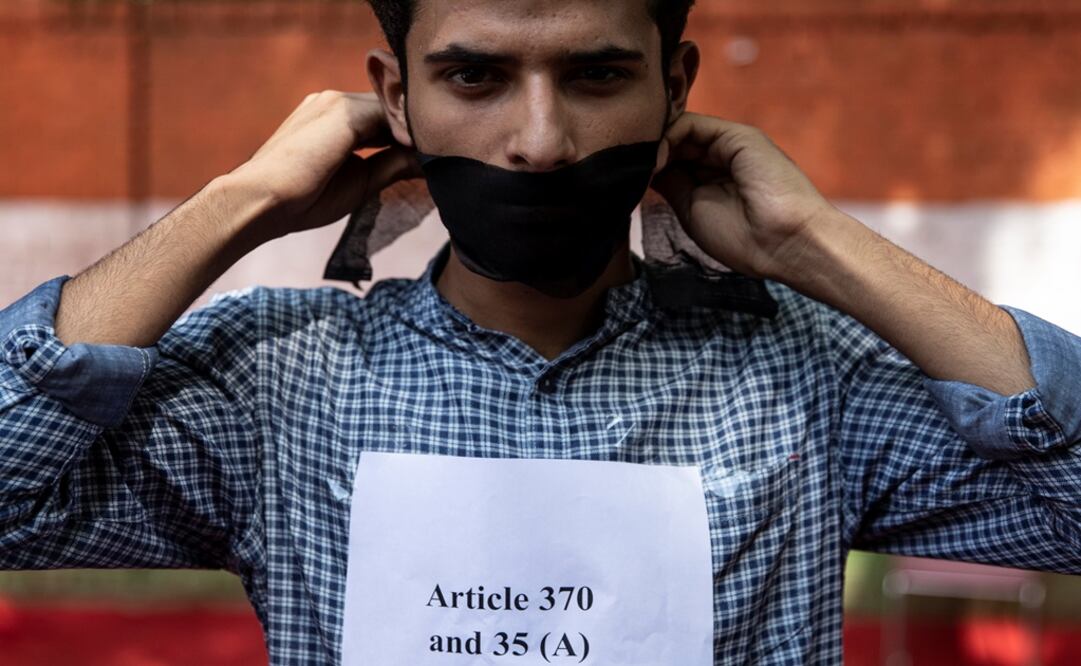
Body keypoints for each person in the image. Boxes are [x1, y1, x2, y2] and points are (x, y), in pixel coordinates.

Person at [1, 0, 1079, 663]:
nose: (539, 139)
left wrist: (815, 244)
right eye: (473, 77)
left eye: (597, 75)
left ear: (676, 88)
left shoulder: (809, 375)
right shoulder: (274, 385)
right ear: (395, 101)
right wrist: (239, 205)